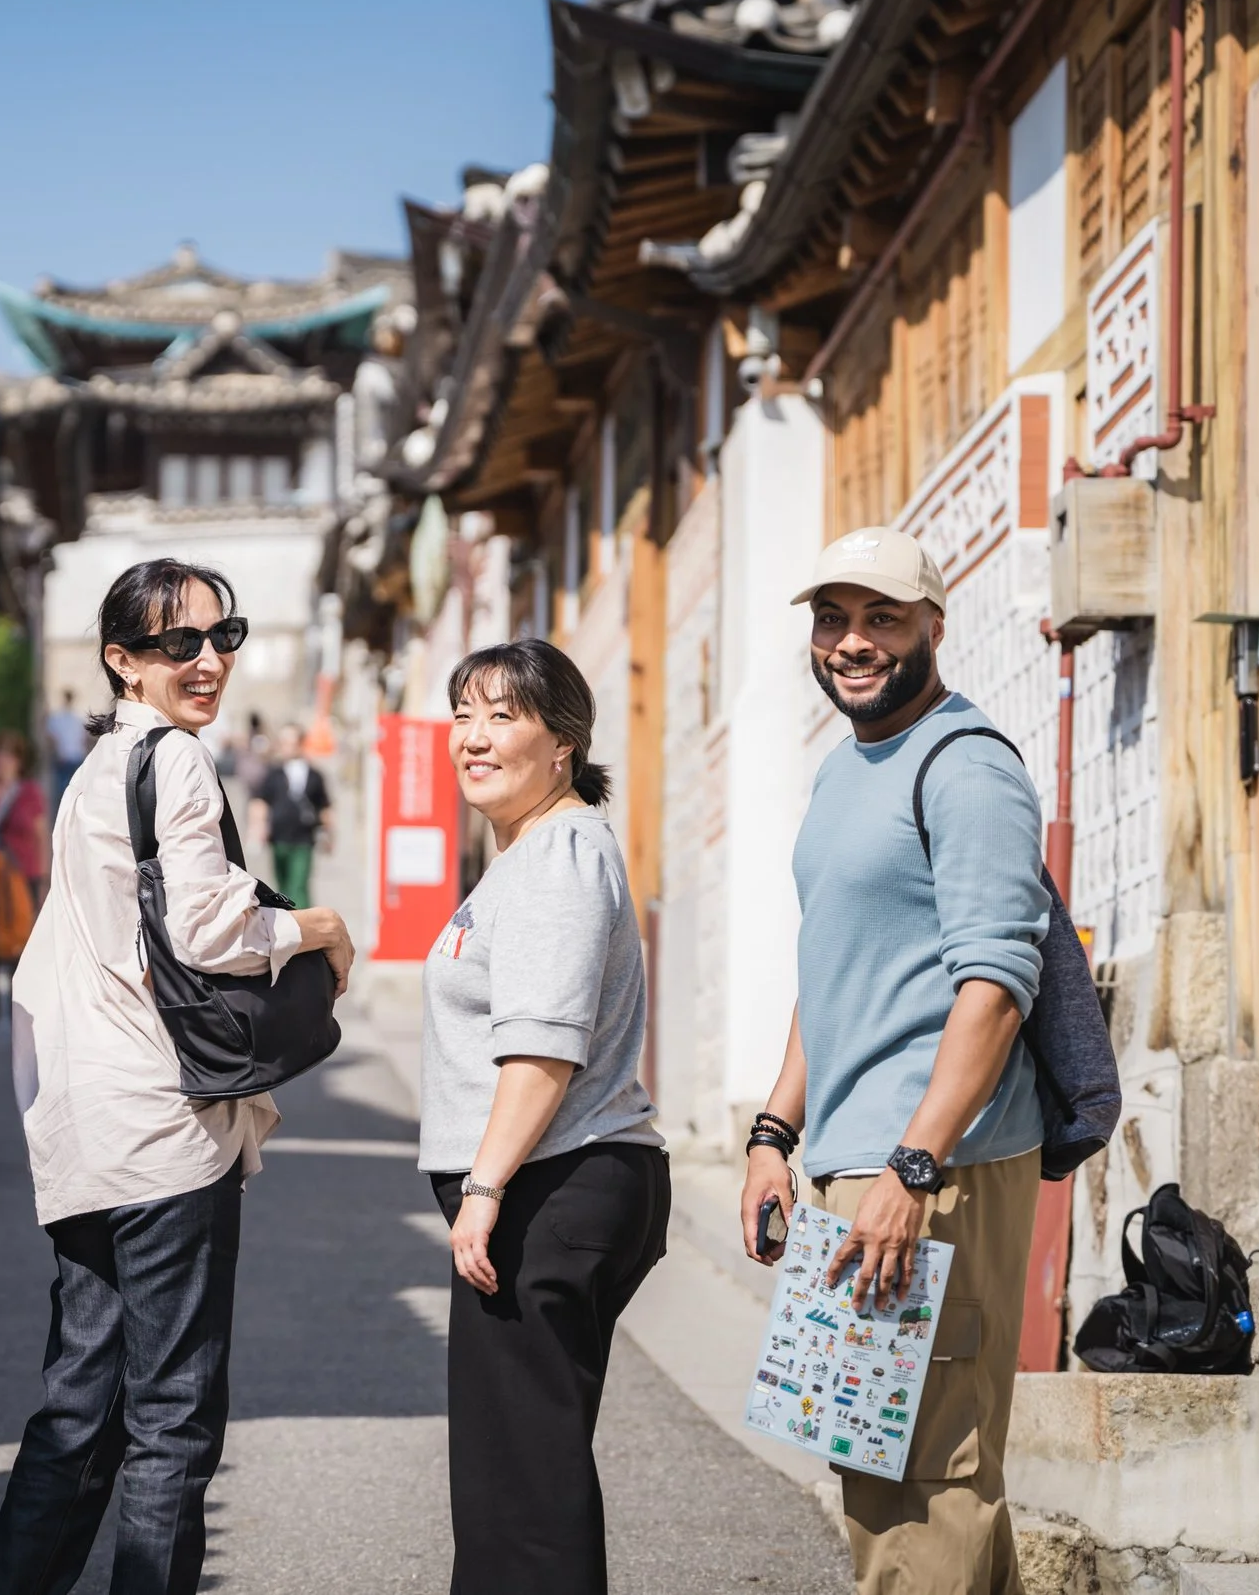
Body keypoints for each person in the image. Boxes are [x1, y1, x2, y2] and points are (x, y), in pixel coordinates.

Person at [0, 558, 356, 1595]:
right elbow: (205, 927)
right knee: (172, 1419)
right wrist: (317, 924)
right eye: (172, 643)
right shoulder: (175, 761)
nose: (203, 660)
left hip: (90, 1126)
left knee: (79, 1411)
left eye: (218, 636)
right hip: (163, 1128)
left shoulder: (95, 773)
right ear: (119, 659)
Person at [739, 526, 1048, 1595]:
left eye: (880, 617)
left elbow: (996, 985)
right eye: (832, 618)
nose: (851, 641)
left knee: (925, 1476)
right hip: (851, 1161)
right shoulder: (844, 771)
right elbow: (831, 965)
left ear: (932, 625)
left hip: (933, 1167)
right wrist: (775, 1132)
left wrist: (913, 1167)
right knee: (877, 1457)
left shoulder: (966, 767)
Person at [419, 639, 667, 1594]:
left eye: (504, 716)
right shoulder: (532, 853)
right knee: (524, 1471)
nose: (474, 738)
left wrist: (483, 1189)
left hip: (547, 1184)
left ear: (562, 743)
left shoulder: (559, 855)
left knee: (520, 1490)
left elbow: (544, 1047)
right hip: (551, 1181)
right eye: (464, 713)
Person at [247, 721, 331, 904]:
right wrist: (257, 829)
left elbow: (324, 806)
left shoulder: (314, 775)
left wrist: (328, 834)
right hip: (278, 838)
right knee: (282, 884)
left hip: (303, 838)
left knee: (299, 885)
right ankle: (287, 921)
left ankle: (304, 924)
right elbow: (261, 802)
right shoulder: (273, 773)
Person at [0, 727, 51, 911]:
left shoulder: (29, 792)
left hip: (25, 875)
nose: (2, 759)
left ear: (19, 761)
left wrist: (44, 882)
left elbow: (41, 837)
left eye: (9, 754)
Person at [44, 687, 89, 807]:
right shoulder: (79, 718)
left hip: (63, 756)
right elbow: (84, 739)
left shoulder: (56, 718)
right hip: (76, 756)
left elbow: (52, 739)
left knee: (61, 790)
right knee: (75, 788)